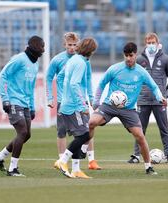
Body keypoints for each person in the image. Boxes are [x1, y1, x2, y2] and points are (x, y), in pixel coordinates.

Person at [89, 42, 167, 175]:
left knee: (140, 136)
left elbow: (154, 86)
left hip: (129, 110)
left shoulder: (141, 72)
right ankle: (90, 157)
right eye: (126, 56)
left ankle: (148, 167)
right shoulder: (114, 69)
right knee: (91, 123)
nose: (128, 59)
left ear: (135, 55)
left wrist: (160, 98)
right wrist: (96, 101)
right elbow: (102, 84)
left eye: (131, 55)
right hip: (109, 105)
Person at [46, 32, 101, 170]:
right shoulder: (60, 60)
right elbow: (52, 78)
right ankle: (63, 160)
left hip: (77, 99)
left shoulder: (81, 61)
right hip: (71, 102)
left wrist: (90, 97)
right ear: (65, 45)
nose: (72, 47)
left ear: (79, 45)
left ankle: (89, 161)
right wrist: (51, 97)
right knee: (67, 132)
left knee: (85, 130)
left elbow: (87, 79)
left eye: (74, 45)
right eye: (69, 45)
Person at [0, 36, 45, 177]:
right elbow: (3, 75)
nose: (43, 50)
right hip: (14, 101)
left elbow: (31, 87)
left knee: (27, 135)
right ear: (33, 46)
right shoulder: (19, 59)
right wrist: (5, 99)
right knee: (22, 132)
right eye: (41, 46)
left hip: (26, 104)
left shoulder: (35, 64)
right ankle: (12, 169)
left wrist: (32, 106)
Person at [128, 33, 168, 164]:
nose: (150, 45)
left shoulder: (166, 59)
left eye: (153, 42)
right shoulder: (138, 60)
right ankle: (136, 155)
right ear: (145, 44)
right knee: (139, 129)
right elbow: (132, 78)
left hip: (159, 101)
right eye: (148, 43)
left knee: (164, 128)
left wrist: (165, 95)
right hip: (142, 100)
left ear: (157, 43)